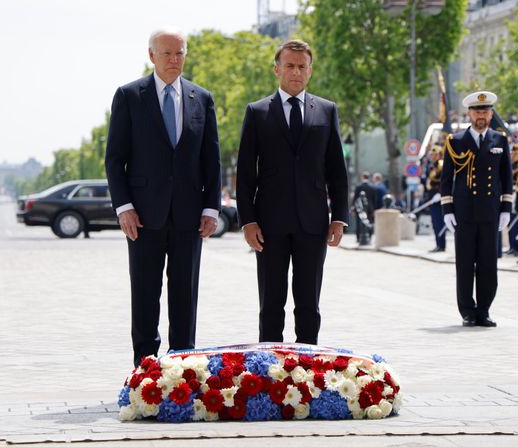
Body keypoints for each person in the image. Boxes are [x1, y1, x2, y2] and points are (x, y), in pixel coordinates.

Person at [105, 28, 222, 367]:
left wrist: (211, 207)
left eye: (180, 53)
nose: (174, 59)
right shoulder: (129, 96)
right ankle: (145, 369)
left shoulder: (202, 98)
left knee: (185, 294)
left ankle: (183, 366)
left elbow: (210, 158)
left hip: (189, 215)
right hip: (142, 215)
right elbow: (115, 158)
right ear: (151, 55)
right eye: (167, 53)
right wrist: (124, 207)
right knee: (144, 293)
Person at [236, 39, 349, 344]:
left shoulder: (326, 110)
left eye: (302, 66)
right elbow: (245, 173)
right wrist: (248, 221)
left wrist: (339, 217)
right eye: (290, 66)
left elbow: (337, 170)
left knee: (309, 305)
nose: (296, 72)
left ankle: (307, 373)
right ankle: (269, 371)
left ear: (310, 71)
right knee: (271, 304)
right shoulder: (257, 112)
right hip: (268, 225)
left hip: (313, 224)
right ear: (277, 69)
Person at [440, 91, 513, 328]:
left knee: (488, 263)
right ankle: (467, 312)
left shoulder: (499, 140)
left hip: (490, 211)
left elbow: (507, 177)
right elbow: (446, 178)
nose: (481, 116)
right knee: (464, 263)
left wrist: (506, 208)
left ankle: (484, 310)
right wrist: (447, 209)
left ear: (491, 115)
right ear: (469, 113)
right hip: (463, 212)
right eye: (477, 111)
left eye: (485, 112)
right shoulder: (456, 141)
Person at [425, 144, 445, 252]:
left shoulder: (442, 165)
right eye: (432, 155)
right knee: (435, 223)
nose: (433, 156)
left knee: (439, 223)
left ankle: (441, 245)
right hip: (432, 197)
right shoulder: (431, 165)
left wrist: (441, 193)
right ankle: (438, 243)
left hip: (439, 197)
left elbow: (444, 182)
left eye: (435, 154)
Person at [352, 171, 376, 243]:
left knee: (359, 222)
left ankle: (358, 238)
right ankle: (370, 236)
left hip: (360, 208)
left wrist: (353, 208)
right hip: (370, 208)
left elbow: (355, 198)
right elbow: (374, 199)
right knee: (370, 222)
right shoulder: (372, 187)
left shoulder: (358, 187)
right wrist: (374, 209)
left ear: (362, 177)